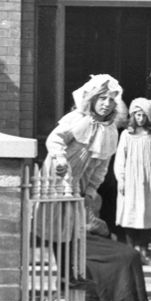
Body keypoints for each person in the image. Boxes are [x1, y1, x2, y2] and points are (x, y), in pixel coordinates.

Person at [43, 72, 128, 208]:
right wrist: (60, 158)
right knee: (50, 217)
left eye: (111, 100)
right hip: (59, 175)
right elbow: (55, 139)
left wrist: (91, 190)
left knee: (72, 221)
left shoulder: (110, 130)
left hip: (80, 184)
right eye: (102, 98)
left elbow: (102, 166)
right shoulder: (78, 118)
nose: (106, 104)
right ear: (93, 98)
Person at [113, 97, 151, 260]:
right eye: (137, 115)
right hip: (130, 181)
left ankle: (144, 247)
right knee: (130, 212)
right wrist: (121, 179)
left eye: (143, 115)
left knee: (147, 212)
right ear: (133, 116)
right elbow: (120, 159)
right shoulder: (126, 135)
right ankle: (131, 247)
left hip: (148, 181)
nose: (140, 119)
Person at [82, 202, 149, 301]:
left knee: (132, 254)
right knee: (126, 256)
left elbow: (94, 222)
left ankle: (127, 299)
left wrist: (100, 228)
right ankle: (121, 299)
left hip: (93, 237)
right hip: (81, 241)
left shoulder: (86, 199)